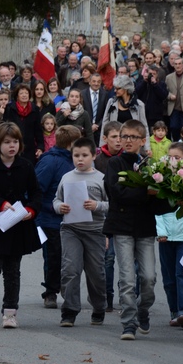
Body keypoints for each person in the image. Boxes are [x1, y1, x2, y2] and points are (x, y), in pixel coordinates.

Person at [102, 119, 171, 340]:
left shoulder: (150, 166)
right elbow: (117, 193)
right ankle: (128, 322)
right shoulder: (114, 164)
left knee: (149, 278)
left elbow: (158, 203)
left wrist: (172, 195)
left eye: (133, 137)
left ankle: (143, 309)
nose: (128, 141)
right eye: (125, 137)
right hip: (121, 227)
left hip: (145, 228)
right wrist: (146, 193)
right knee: (127, 278)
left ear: (143, 141)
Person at [0, 122, 42, 329]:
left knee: (13, 271)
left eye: (15, 142)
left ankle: (10, 312)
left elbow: (37, 193)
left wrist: (31, 210)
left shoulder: (26, 166)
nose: (12, 146)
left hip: (17, 226)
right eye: (7, 142)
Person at [53, 138, 109, 327]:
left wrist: (97, 205)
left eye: (85, 155)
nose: (80, 159)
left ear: (94, 155)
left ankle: (99, 307)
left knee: (96, 274)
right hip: (71, 230)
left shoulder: (101, 179)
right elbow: (56, 200)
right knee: (70, 270)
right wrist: (60, 207)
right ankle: (69, 311)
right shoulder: (67, 177)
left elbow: (112, 205)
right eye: (76, 155)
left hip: (95, 231)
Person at [35, 125, 82, 309]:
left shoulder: (76, 160)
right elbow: (37, 191)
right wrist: (52, 208)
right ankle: (50, 292)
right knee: (53, 257)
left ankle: (67, 289)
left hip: (74, 219)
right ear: (71, 144)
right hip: (51, 220)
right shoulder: (50, 162)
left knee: (70, 258)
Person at [156, 141, 183, 328]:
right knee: (169, 278)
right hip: (165, 237)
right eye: (170, 157)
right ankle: (173, 311)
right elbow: (155, 209)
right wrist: (161, 231)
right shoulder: (161, 178)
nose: (173, 161)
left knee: (182, 274)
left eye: (177, 158)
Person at [94, 121, 122, 312]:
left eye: (121, 137)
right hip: (106, 214)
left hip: (126, 215)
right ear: (105, 138)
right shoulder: (98, 160)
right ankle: (107, 297)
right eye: (114, 137)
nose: (119, 141)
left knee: (131, 262)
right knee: (108, 258)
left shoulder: (130, 158)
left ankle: (130, 297)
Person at [101, 75, 150, 153]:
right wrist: (102, 145)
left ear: (126, 89)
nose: (115, 90)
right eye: (115, 88)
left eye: (118, 88)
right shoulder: (111, 102)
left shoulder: (138, 105)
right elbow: (105, 124)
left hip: (132, 144)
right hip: (115, 144)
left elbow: (144, 127)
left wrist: (147, 147)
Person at [3, 84, 44, 166]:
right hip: (13, 145)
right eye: (21, 93)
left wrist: (40, 147)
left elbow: (38, 130)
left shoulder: (35, 109)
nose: (24, 95)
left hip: (29, 147)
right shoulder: (9, 108)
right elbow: (5, 127)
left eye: (26, 93)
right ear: (17, 96)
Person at [82, 73, 110, 145]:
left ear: (101, 83)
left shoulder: (105, 94)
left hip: (100, 130)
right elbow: (81, 111)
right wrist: (90, 125)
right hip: (86, 129)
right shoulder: (82, 94)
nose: (96, 83)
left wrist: (97, 125)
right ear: (90, 82)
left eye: (98, 81)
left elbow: (106, 112)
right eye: (94, 81)